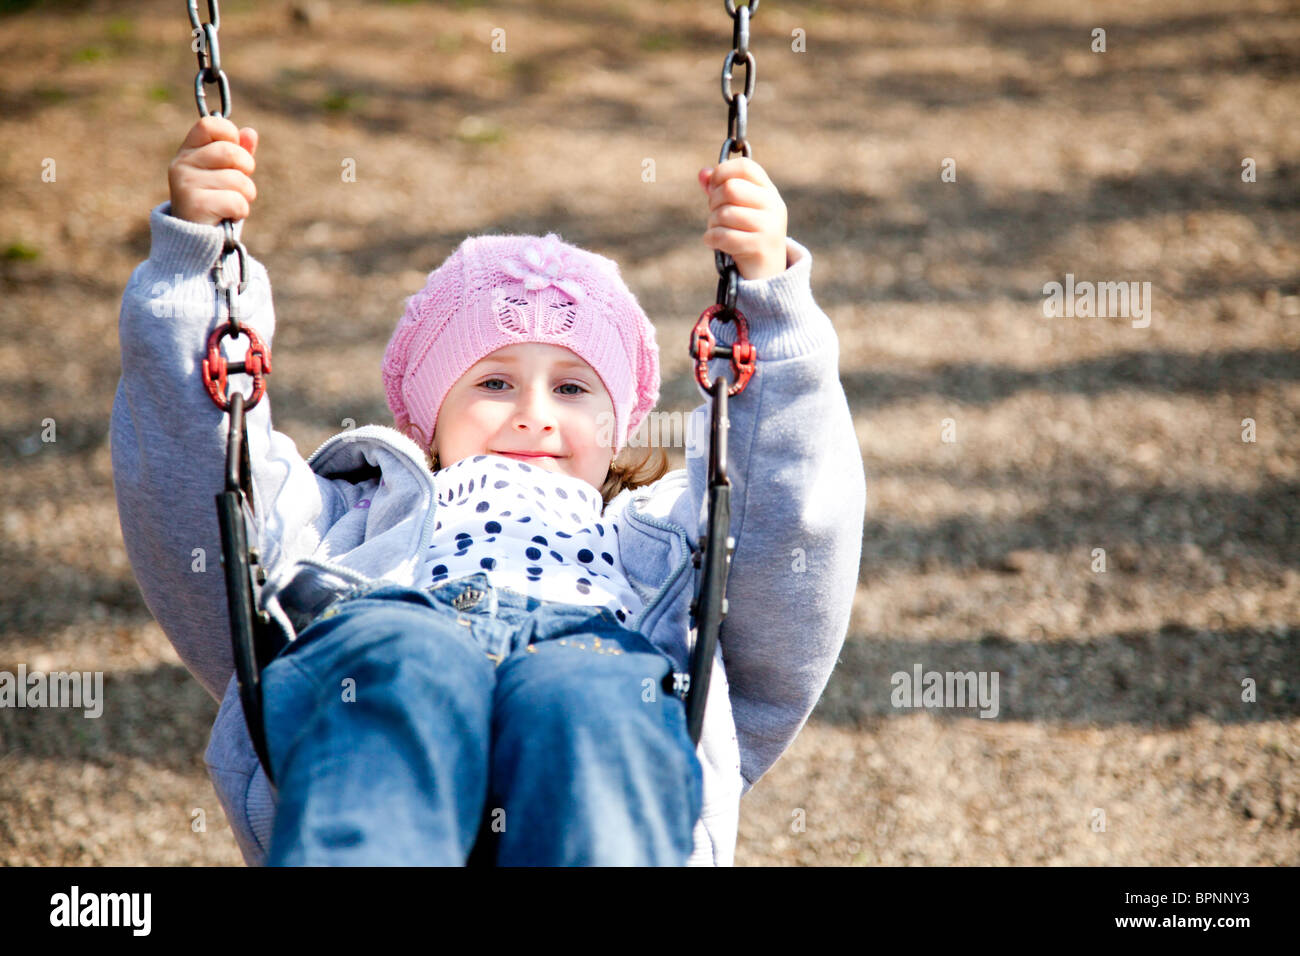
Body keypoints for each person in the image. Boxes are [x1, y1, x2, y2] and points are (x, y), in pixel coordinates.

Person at [111, 115, 865, 865]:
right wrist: (194, 272)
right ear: (429, 418)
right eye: (495, 382)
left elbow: (784, 533)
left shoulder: (662, 546)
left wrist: (768, 307)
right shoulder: (353, 519)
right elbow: (205, 502)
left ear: (617, 428)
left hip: (595, 660)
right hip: (392, 645)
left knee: (586, 695)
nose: (534, 416)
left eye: (572, 387)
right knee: (401, 660)